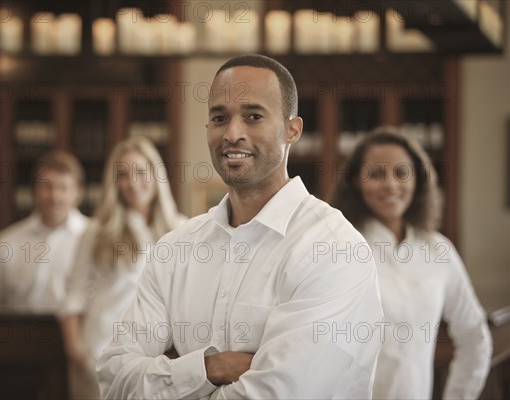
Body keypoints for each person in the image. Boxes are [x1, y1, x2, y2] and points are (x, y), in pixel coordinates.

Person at [96, 54, 384, 399]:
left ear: (292, 129)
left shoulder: (333, 248)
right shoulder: (177, 248)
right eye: (220, 117)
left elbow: (280, 393)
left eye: (253, 116)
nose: (232, 133)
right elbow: (113, 380)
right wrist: (211, 368)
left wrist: (173, 373)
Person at [330, 127, 492, 399]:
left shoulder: (438, 250)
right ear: (356, 181)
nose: (391, 185)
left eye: (401, 173)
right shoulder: (338, 248)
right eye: (377, 174)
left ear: (418, 180)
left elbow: (475, 337)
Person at [59, 136, 185, 400]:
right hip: (101, 353)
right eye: (124, 175)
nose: (134, 182)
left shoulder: (183, 230)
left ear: (156, 174)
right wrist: (78, 353)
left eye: (141, 172)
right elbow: (74, 296)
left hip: (160, 360)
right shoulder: (97, 232)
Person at [0, 150, 88, 313]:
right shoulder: (6, 243)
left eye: (63, 188)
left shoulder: (96, 239)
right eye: (47, 186)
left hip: (78, 336)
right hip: (15, 335)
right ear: (34, 191)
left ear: (78, 193)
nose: (54, 196)